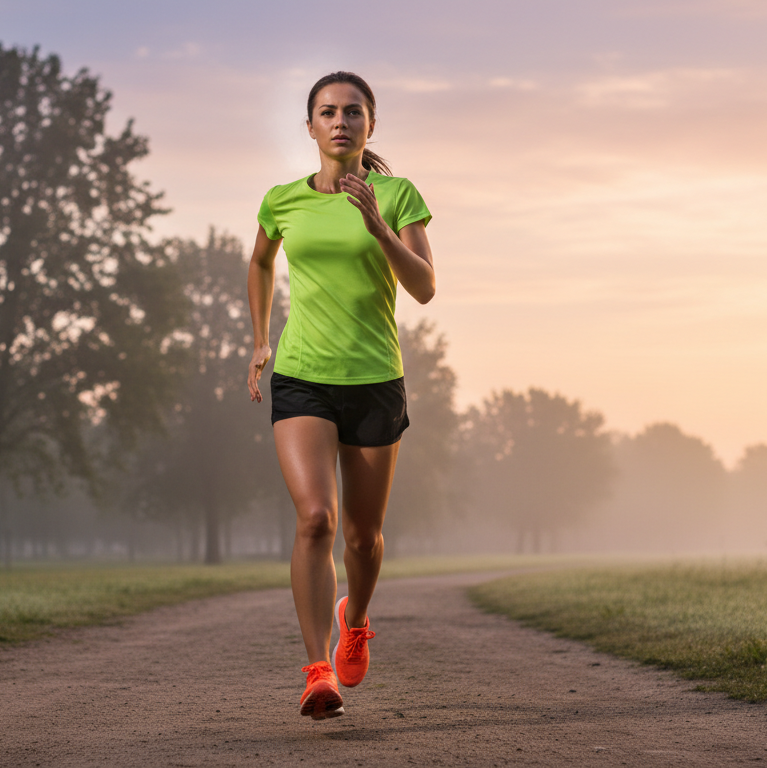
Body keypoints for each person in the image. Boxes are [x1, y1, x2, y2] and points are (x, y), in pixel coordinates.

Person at [246, 71, 435, 721]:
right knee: (315, 520)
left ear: (370, 126)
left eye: (353, 112)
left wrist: (379, 228)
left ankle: (354, 620)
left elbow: (426, 289)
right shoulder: (282, 201)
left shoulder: (398, 195)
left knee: (362, 537)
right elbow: (261, 261)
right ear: (310, 128)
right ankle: (317, 668)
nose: (340, 121)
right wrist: (260, 339)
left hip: (376, 379)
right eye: (327, 112)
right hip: (302, 376)